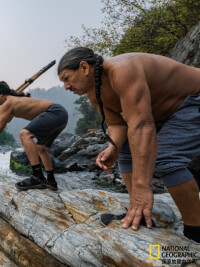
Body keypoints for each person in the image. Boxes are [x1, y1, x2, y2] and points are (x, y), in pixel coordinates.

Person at [57, 47, 200, 243]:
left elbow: (142, 125)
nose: (66, 86)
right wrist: (112, 148)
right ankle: (137, 212)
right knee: (125, 151)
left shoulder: (122, 69)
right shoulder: (94, 94)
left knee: (165, 158)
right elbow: (117, 125)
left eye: (66, 78)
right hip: (162, 114)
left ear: (84, 67)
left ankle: (195, 230)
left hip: (194, 99)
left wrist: (143, 185)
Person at [0, 81, 68, 191]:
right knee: (40, 149)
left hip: (53, 113)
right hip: (60, 115)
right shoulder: (12, 101)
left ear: (1, 95)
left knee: (24, 134)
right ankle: (51, 181)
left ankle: (37, 177)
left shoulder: (8, 103)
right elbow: (5, 120)